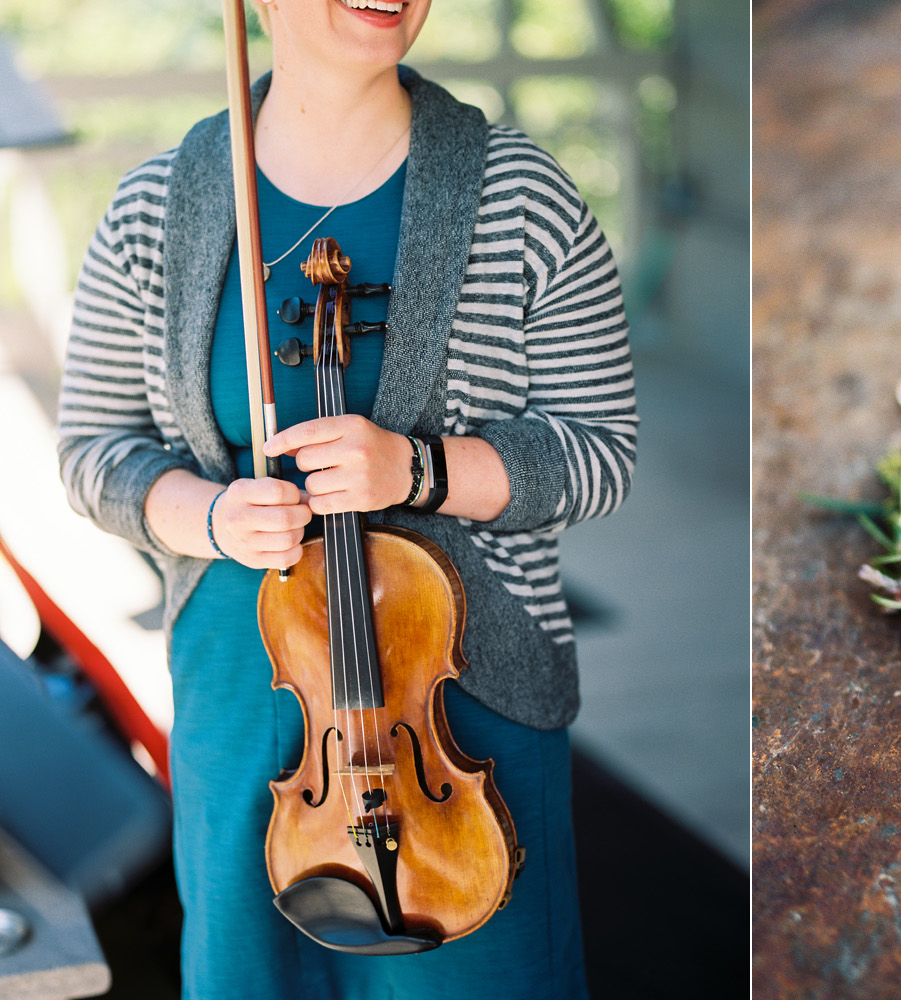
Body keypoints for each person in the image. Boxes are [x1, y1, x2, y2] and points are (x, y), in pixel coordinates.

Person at [55, 0, 636, 996]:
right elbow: (92, 452)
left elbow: (601, 453)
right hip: (250, 694)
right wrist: (208, 514)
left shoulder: (522, 195)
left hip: (463, 703)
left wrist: (419, 470)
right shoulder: (156, 207)